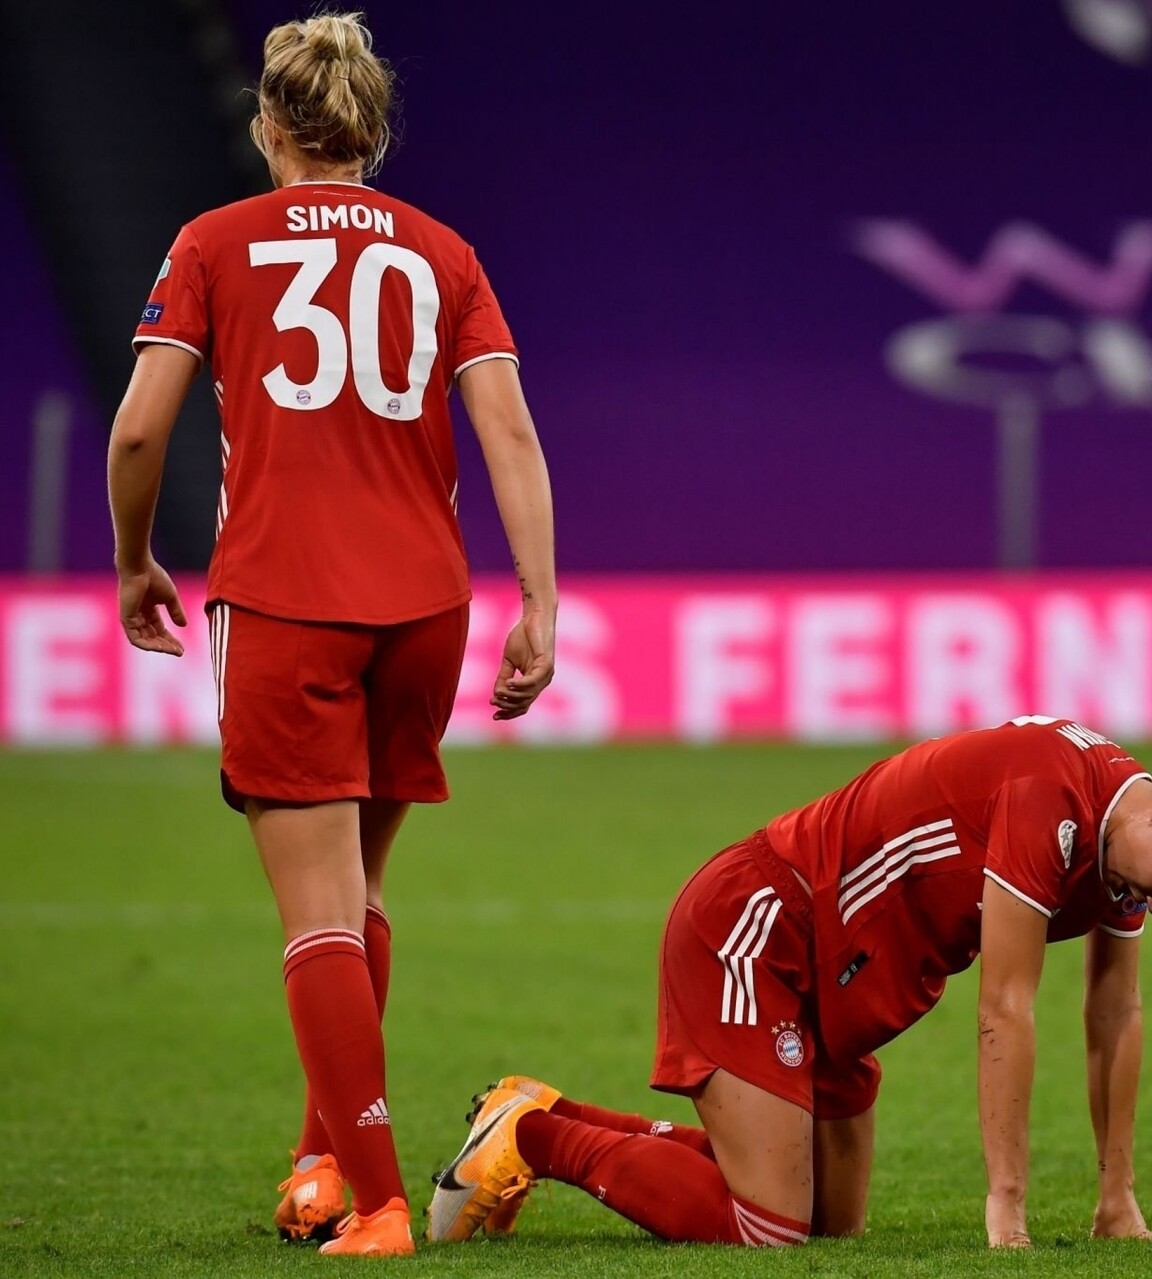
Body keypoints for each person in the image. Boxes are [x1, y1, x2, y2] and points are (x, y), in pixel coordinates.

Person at [106, 12, 557, 1256]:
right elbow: (510, 432)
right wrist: (539, 599)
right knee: (358, 894)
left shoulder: (212, 241)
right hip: (424, 608)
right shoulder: (444, 252)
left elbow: (139, 429)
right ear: (372, 130)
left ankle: (380, 1204)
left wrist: (135, 559)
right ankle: (321, 1161)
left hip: (286, 599)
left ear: (268, 125)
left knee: (315, 913)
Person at [421, 717, 1152, 1247]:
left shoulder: (1124, 847)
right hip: (759, 929)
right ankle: (535, 1137)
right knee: (769, 1227)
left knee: (833, 1221)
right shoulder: (1051, 794)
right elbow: (1006, 1008)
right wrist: (1006, 1205)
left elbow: (1115, 1012)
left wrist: (1116, 1194)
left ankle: (540, 1107)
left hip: (834, 988)